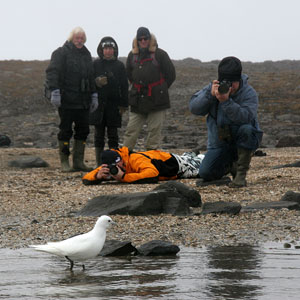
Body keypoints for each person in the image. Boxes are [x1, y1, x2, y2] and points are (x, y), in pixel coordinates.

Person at [189, 56, 263, 187]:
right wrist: (209, 96)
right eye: (226, 82)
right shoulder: (213, 89)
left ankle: (240, 174)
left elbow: (245, 117)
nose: (229, 87)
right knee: (206, 173)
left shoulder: (248, 93)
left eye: (232, 83)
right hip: (219, 144)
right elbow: (194, 108)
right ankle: (229, 166)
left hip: (243, 140)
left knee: (247, 129)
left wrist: (226, 102)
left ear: (239, 79)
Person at [46, 27, 97, 172]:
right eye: (77, 38)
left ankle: (78, 162)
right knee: (65, 131)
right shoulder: (61, 53)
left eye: (82, 38)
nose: (79, 41)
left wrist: (94, 95)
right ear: (71, 38)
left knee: (83, 130)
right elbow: (52, 72)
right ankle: (64, 162)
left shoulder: (87, 55)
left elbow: (91, 76)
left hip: (83, 101)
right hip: (66, 100)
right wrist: (54, 91)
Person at [123, 26, 176, 151]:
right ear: (137, 40)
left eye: (145, 38)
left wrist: (160, 89)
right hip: (137, 99)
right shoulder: (132, 56)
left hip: (157, 100)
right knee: (131, 130)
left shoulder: (160, 54)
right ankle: (124, 157)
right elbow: (129, 75)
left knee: (154, 132)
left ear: (149, 38)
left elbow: (171, 75)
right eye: (140, 39)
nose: (143, 41)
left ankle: (151, 159)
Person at [91, 36, 128, 166]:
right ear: (101, 50)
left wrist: (124, 104)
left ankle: (113, 162)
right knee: (98, 135)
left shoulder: (119, 66)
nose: (108, 51)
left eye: (110, 48)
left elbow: (124, 86)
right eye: (106, 48)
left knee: (113, 135)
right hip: (98, 106)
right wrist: (96, 82)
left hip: (114, 106)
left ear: (114, 50)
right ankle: (99, 163)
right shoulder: (95, 64)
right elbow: (89, 82)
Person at [82, 147, 204, 185]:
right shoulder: (108, 167)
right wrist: (97, 176)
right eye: (114, 164)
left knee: (202, 166)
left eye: (119, 161)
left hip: (177, 166)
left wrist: (124, 177)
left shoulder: (134, 159)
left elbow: (152, 174)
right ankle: (190, 154)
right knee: (188, 157)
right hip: (161, 157)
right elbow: (86, 178)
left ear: (121, 157)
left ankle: (195, 156)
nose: (117, 165)